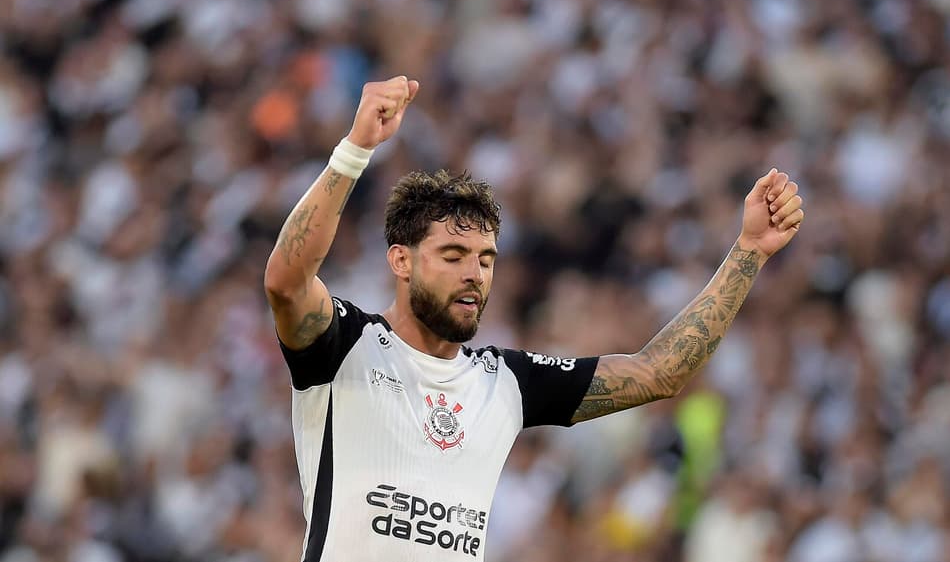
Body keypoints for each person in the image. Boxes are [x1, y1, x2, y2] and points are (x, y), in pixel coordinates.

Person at [263, 76, 805, 562]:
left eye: (486, 259)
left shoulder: (506, 381)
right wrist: (355, 151)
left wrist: (749, 251)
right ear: (401, 260)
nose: (474, 274)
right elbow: (286, 280)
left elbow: (659, 372)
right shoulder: (345, 345)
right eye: (453, 256)